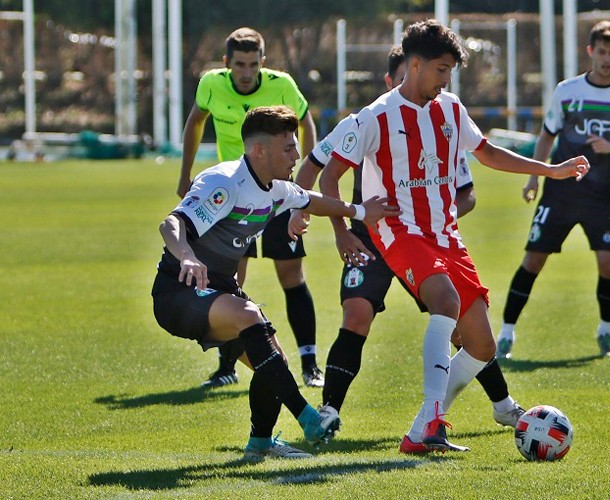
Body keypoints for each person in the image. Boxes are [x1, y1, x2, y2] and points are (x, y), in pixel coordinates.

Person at [318, 20, 589, 453]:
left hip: (445, 234)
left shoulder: (450, 108)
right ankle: (430, 424)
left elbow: (487, 153)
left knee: (481, 344)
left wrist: (549, 170)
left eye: (450, 73)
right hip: (397, 230)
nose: (446, 81)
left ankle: (422, 427)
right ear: (416, 63)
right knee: (444, 301)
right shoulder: (375, 116)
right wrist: (341, 229)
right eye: (441, 70)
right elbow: (329, 176)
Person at [291, 46, 526, 452]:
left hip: (425, 238)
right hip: (369, 234)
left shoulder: (442, 119)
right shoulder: (366, 120)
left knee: (460, 323)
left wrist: (436, 217)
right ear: (394, 79)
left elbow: (465, 191)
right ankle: (330, 408)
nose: (436, 85)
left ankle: (499, 403)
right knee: (358, 313)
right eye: (432, 73)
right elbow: (313, 167)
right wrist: (320, 219)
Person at [152, 105, 398, 460]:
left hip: (219, 289)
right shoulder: (223, 181)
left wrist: (359, 211)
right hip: (179, 289)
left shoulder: (275, 189)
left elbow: (312, 200)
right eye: (288, 148)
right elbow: (171, 225)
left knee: (274, 360)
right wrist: (187, 256)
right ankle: (308, 418)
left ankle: (260, 443)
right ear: (259, 150)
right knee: (251, 316)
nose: (297, 155)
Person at [177, 27, 324, 389]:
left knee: (291, 275)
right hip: (234, 200)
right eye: (239, 65)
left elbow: (306, 123)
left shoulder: (283, 85)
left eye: (253, 64)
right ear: (226, 63)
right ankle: (226, 367)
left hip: (273, 192)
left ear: (263, 62)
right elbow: (196, 120)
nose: (246, 72)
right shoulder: (211, 83)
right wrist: (186, 174)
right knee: (230, 281)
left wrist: (300, 191)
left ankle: (309, 363)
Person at [496, 20, 610, 360]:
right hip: (560, 191)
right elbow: (547, 134)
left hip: (602, 196)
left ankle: (605, 332)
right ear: (590, 52)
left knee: (608, 265)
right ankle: (506, 333)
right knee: (533, 259)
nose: (607, 59)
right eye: (601, 52)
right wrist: (534, 176)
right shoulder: (567, 91)